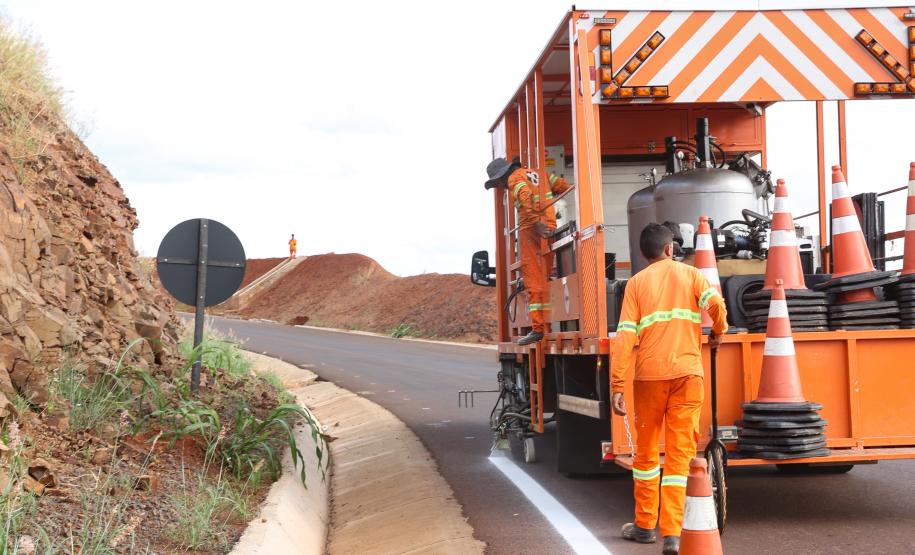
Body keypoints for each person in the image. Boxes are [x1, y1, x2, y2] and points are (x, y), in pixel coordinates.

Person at [610, 223, 728, 555]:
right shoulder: (690, 276)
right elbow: (715, 304)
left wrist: (618, 384)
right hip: (688, 375)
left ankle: (645, 526)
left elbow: (625, 338)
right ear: (669, 248)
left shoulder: (635, 284)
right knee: (679, 456)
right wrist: (719, 331)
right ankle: (673, 533)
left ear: (644, 254)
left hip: (648, 378)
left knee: (646, 454)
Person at [484, 157, 569, 345]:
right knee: (544, 277)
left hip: (531, 229)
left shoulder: (514, 178)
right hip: (549, 227)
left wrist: (536, 221)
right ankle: (542, 324)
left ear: (501, 176)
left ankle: (538, 328)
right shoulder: (539, 174)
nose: (500, 187)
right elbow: (563, 186)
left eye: (497, 183)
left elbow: (524, 194)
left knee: (533, 278)